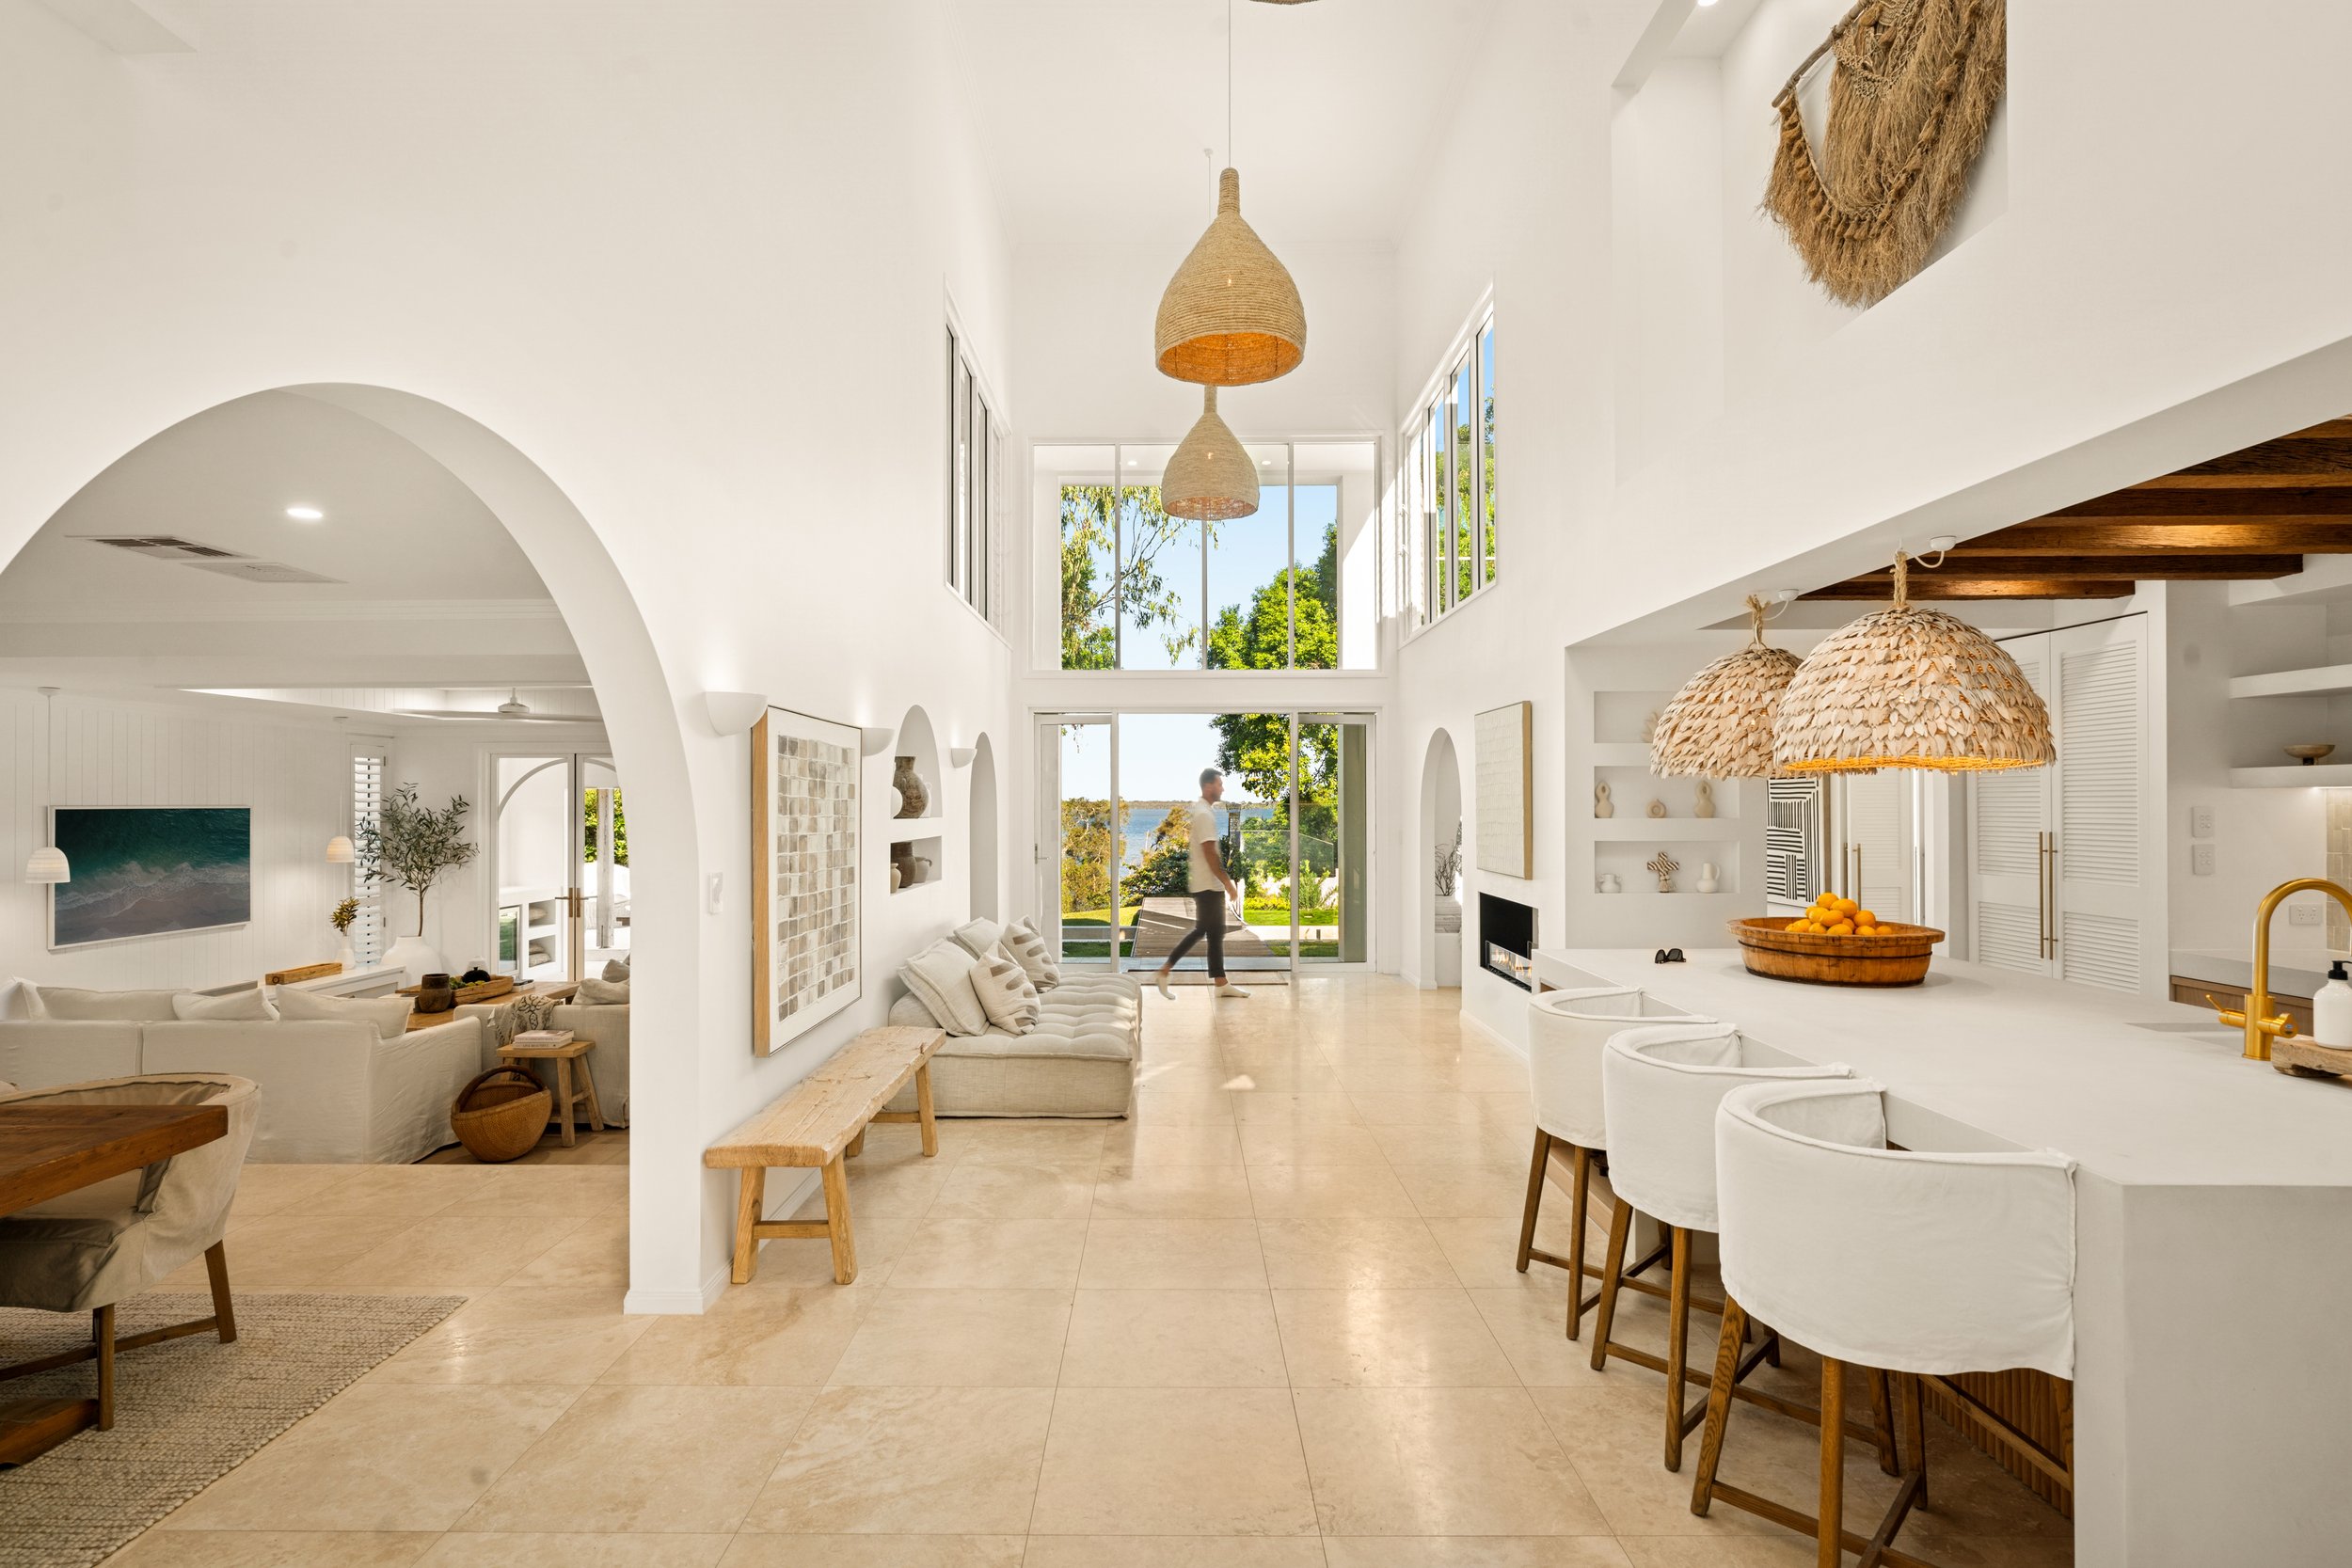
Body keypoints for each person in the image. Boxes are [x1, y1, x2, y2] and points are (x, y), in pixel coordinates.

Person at [1155, 766, 1250, 1001]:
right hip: (1208, 885)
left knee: (1215, 932)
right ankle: (1165, 971)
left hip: (1206, 884)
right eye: (1219, 784)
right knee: (1204, 931)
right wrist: (1228, 882)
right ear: (1208, 786)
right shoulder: (1204, 814)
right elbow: (1210, 852)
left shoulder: (1203, 810)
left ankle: (1221, 983)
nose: (1222, 788)